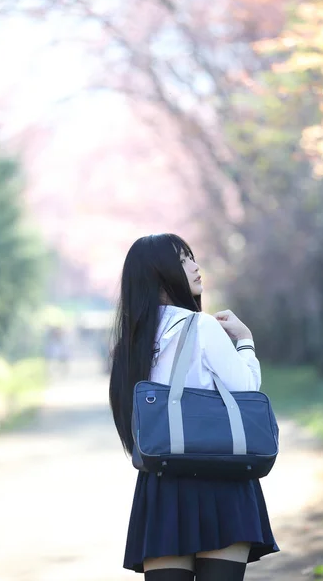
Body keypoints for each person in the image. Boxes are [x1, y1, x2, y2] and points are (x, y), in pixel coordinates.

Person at [109, 233, 279, 581]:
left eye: (192, 256)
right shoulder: (201, 326)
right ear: (159, 273)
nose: (195, 265)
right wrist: (245, 341)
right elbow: (246, 389)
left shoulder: (130, 343)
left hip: (162, 487)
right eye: (183, 259)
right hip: (221, 478)